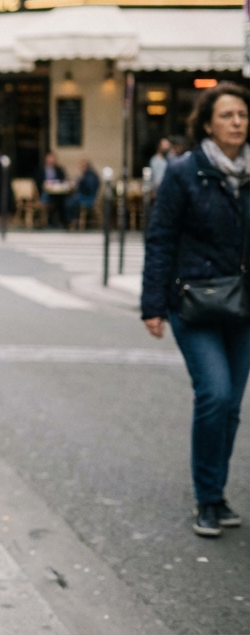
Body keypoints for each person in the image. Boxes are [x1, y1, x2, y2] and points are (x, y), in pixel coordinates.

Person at [142, 82, 250, 538]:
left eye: (243, 114)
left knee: (230, 408)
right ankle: (207, 498)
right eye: (227, 115)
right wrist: (152, 304)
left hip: (243, 304)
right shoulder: (186, 171)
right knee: (215, 394)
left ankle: (217, 491)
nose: (237, 122)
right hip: (194, 302)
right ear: (207, 123)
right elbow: (161, 236)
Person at [35, 151, 68, 228]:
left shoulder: (59, 170)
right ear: (46, 159)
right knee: (51, 200)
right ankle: (51, 221)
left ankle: (62, 221)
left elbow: (63, 180)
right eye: (49, 158)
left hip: (58, 192)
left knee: (63, 200)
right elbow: (38, 183)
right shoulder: (41, 170)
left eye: (53, 158)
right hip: (44, 193)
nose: (51, 160)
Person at [65, 158, 100, 227]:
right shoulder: (87, 175)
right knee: (70, 200)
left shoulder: (90, 176)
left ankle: (71, 222)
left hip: (88, 199)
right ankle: (72, 220)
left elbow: (89, 189)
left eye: (81, 165)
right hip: (85, 196)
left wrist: (79, 182)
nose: (80, 167)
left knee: (69, 202)